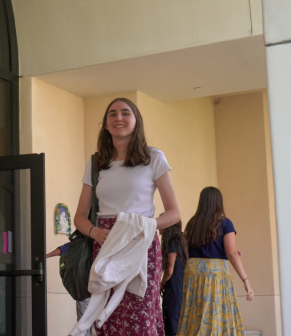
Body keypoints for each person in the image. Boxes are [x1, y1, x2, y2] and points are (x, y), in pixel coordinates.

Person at [73, 97, 181, 335]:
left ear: (136, 121)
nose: (118, 118)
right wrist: (95, 232)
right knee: (107, 319)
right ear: (105, 124)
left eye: (125, 113)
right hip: (106, 243)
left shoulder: (153, 157)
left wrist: (144, 226)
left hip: (141, 243)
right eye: (112, 114)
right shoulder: (96, 163)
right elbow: (80, 215)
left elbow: (174, 213)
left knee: (141, 316)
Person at [178, 186, 254, 336]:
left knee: (194, 314)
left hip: (193, 274)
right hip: (214, 276)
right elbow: (232, 253)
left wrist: (220, 251)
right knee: (214, 314)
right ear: (219, 202)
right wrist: (246, 281)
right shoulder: (225, 223)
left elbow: (190, 249)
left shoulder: (192, 223)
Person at [46, 243, 93, 336]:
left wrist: (47, 256)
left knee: (85, 326)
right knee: (85, 326)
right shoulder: (85, 240)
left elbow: (66, 248)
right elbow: (66, 248)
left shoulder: (86, 240)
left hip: (87, 289)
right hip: (86, 289)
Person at [159, 219, 188, 336]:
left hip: (174, 284)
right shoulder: (182, 239)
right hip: (182, 281)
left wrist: (161, 283)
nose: (158, 226)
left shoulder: (172, 241)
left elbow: (170, 270)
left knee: (173, 319)